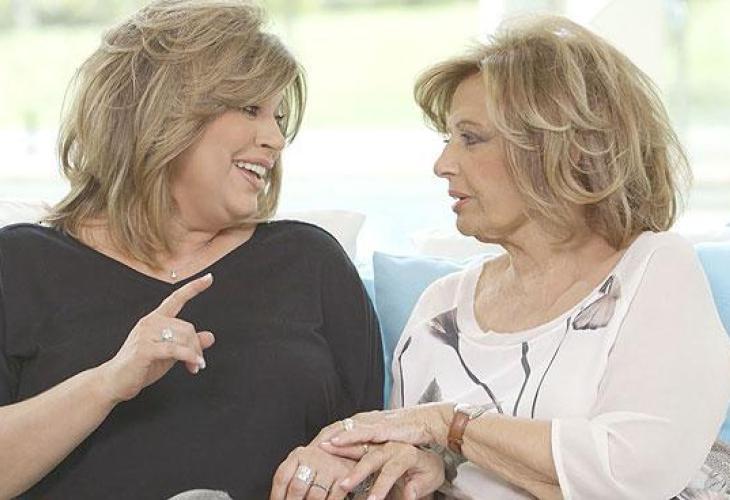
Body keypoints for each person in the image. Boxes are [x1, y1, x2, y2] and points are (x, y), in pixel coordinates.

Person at [316, 15, 730, 500]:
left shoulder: (653, 269)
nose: (443, 164)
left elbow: (635, 473)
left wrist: (449, 424)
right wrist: (419, 465)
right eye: (447, 139)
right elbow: (423, 465)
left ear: (566, 148)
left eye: (471, 138)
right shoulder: (440, 308)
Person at [0, 1, 383, 498]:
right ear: (162, 114)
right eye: (250, 109)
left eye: (278, 117)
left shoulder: (312, 262)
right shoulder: (19, 266)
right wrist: (108, 383)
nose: (275, 138)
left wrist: (343, 469)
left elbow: (378, 456)